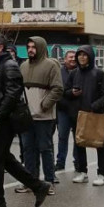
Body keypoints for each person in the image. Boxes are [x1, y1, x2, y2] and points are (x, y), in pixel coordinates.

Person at [0, 34, 51, 207]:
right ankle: (38, 186)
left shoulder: (9, 66)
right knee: (5, 159)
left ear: (0, 47)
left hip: (4, 121)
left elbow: (12, 94)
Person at [17, 37, 63, 195]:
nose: (30, 50)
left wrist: (44, 105)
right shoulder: (23, 66)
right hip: (26, 116)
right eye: (28, 47)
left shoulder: (51, 65)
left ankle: (49, 182)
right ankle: (30, 182)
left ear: (41, 48)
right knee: (28, 149)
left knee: (45, 149)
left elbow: (57, 88)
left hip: (44, 116)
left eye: (33, 47)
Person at [64, 46, 104, 186]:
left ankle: (101, 174)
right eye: (79, 55)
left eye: (85, 55)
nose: (81, 57)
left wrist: (95, 106)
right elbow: (65, 91)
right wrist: (71, 93)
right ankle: (82, 172)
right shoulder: (74, 73)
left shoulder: (99, 74)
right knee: (79, 143)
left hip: (94, 115)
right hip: (78, 115)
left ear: (90, 57)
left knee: (99, 143)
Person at [56, 50, 77, 170]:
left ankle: (78, 162)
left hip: (77, 110)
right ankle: (60, 162)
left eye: (74, 57)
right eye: (70, 57)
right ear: (65, 59)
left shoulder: (80, 72)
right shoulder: (59, 72)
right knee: (62, 137)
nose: (73, 59)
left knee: (77, 138)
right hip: (62, 110)